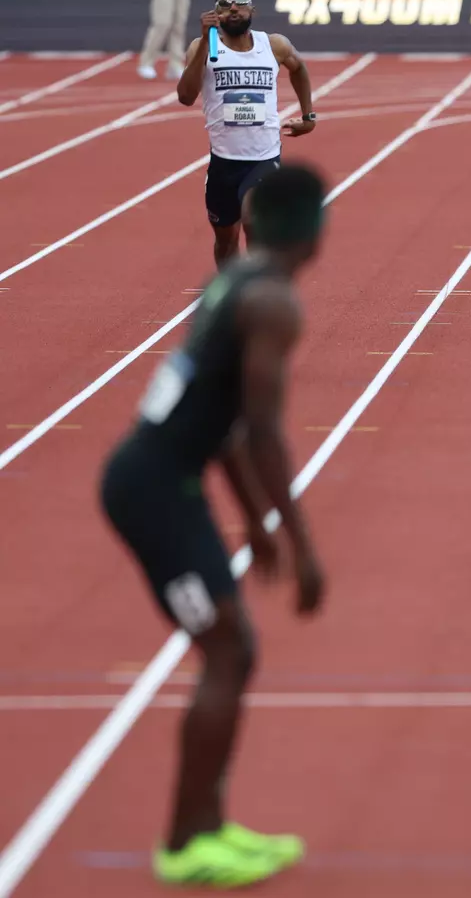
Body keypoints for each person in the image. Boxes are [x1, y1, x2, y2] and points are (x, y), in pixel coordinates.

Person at [98, 164, 329, 888]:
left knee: (231, 650)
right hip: (152, 490)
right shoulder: (273, 304)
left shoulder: (231, 282)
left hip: (163, 479)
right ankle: (187, 842)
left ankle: (207, 829)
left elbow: (223, 423)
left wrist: (256, 524)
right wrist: (300, 544)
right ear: (316, 231)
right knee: (227, 652)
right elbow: (261, 431)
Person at [176, 0, 318, 270]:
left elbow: (299, 68)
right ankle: (231, 291)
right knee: (226, 241)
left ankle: (257, 289)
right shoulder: (204, 47)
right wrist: (205, 42)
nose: (233, 9)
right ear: (215, 13)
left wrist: (308, 116)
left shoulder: (273, 45)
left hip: (263, 159)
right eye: (225, 4)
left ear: (252, 10)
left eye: (240, 3)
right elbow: (186, 97)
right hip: (224, 162)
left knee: (255, 222)